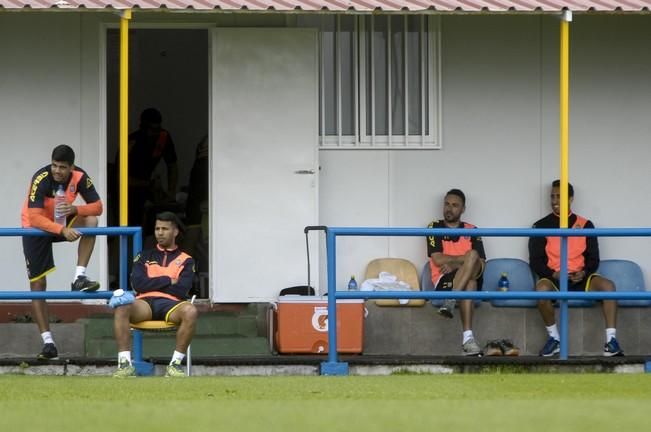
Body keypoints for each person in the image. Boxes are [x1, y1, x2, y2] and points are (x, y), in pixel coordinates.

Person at [21, 144, 103, 360]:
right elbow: (34, 217)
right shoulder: (41, 177)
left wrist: (76, 209)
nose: (57, 171)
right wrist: (62, 230)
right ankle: (48, 342)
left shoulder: (80, 176)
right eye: (54, 165)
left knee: (91, 220)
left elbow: (97, 207)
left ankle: (79, 277)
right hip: (36, 227)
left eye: (62, 167)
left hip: (61, 220)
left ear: (71, 167)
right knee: (38, 284)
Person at [529, 180, 623, 357]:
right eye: (552, 196)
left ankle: (611, 341)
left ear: (571, 199)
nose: (555, 200)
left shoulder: (586, 224)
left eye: (560, 196)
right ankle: (554, 339)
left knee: (608, 287)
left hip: (581, 277)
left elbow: (594, 258)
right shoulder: (540, 225)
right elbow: (535, 260)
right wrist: (553, 274)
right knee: (540, 291)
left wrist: (584, 272)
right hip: (554, 278)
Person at [112, 211, 197, 378]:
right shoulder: (144, 256)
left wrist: (154, 282)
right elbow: (138, 284)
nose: (160, 232)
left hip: (172, 305)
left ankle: (175, 366)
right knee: (121, 308)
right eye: (157, 228)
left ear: (175, 232)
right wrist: (168, 279)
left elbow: (181, 289)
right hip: (145, 303)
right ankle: (125, 365)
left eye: (165, 229)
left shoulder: (187, 260)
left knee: (191, 311)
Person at [426, 189, 486, 356]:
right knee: (470, 282)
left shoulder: (472, 229)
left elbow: (481, 262)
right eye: (446, 204)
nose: (449, 209)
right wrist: (463, 260)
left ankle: (451, 299)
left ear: (463, 209)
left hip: (468, 272)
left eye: (454, 205)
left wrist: (454, 263)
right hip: (444, 279)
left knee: (474, 256)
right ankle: (468, 340)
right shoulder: (434, 227)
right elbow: (437, 259)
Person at [123, 108, 178, 231]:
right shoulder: (132, 142)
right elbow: (122, 179)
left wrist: (171, 192)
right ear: (142, 127)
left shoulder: (163, 137)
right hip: (126, 189)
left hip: (147, 185)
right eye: (151, 129)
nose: (153, 133)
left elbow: (172, 165)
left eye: (157, 129)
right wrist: (149, 184)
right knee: (127, 226)